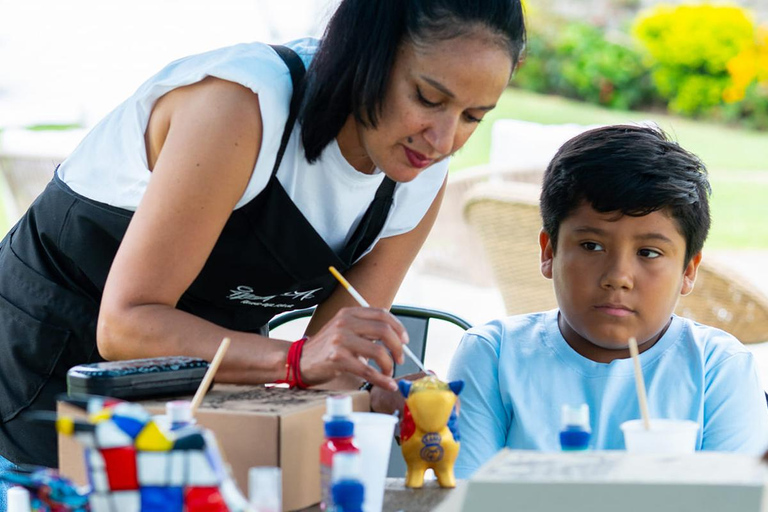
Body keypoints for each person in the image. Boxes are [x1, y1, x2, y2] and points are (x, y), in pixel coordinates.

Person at [0, 0, 526, 486]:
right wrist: (297, 359)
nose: (443, 140)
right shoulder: (242, 105)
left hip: (199, 392)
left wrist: (378, 394)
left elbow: (331, 373)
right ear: (369, 53)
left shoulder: (418, 178)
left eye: (473, 117)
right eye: (428, 98)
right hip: (42, 370)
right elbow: (125, 326)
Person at [448, 125, 768, 478]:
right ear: (549, 251)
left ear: (688, 270)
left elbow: (736, 500)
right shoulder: (493, 355)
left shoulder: (717, 369)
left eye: (648, 252)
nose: (618, 276)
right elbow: (466, 496)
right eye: (591, 246)